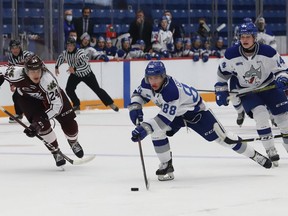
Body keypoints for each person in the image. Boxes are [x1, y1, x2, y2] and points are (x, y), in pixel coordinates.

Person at [128, 61, 272, 181]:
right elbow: (138, 94)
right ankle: (166, 164)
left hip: (197, 113)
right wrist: (135, 106)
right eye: (150, 78)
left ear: (163, 76)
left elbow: (163, 119)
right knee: (157, 132)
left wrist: (144, 128)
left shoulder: (171, 91)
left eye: (156, 78)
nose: (153, 81)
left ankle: (254, 155)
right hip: (178, 114)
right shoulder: (146, 83)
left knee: (225, 139)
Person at [214, 22, 288, 167]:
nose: (245, 39)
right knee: (261, 116)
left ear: (255, 37)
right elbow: (222, 75)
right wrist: (221, 90)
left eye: (248, 36)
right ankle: (270, 149)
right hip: (246, 91)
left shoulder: (268, 51)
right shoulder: (231, 54)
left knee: (284, 121)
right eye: (242, 37)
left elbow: (281, 69)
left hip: (269, 87)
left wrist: (283, 78)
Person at [0, 54, 84, 167]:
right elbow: (2, 70)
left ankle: (73, 141)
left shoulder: (48, 81)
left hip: (53, 101)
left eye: (38, 70)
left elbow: (56, 106)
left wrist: (41, 120)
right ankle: (55, 151)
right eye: (32, 71)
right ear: (26, 70)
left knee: (70, 125)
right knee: (43, 128)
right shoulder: (15, 73)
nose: (36, 74)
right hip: (28, 100)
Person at [55, 37, 119, 112]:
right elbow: (61, 58)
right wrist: (57, 66)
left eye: (71, 45)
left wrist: (74, 68)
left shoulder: (80, 52)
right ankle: (76, 105)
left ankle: (111, 103)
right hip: (75, 74)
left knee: (97, 89)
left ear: (74, 45)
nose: (69, 47)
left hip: (87, 74)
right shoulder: (65, 53)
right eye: (68, 45)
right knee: (69, 89)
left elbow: (84, 64)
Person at [7, 39, 33, 123]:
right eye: (13, 48)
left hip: (33, 79)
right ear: (10, 49)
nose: (15, 50)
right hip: (22, 80)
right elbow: (11, 72)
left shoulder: (27, 54)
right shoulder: (11, 58)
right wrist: (12, 84)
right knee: (16, 96)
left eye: (16, 47)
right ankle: (19, 114)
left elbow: (35, 63)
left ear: (20, 47)